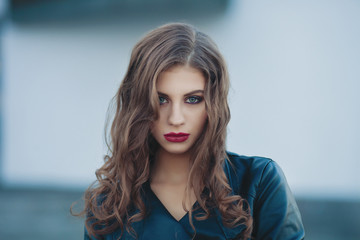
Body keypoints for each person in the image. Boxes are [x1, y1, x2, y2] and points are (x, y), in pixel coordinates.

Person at [80, 23, 305, 239]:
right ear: (138, 104)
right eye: (161, 99)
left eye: (193, 99)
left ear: (213, 104)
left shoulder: (260, 182)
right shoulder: (109, 206)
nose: (176, 119)